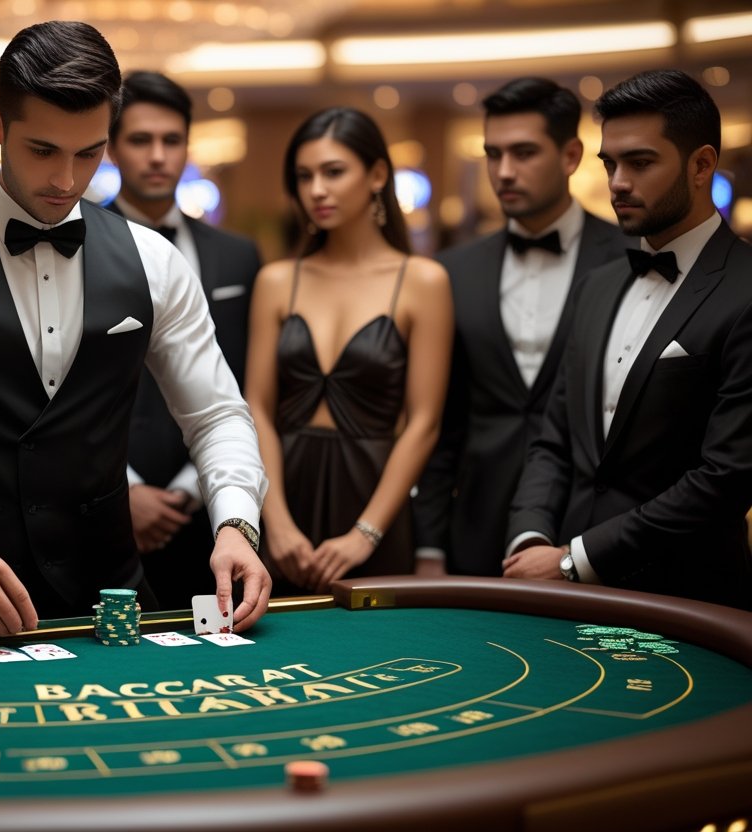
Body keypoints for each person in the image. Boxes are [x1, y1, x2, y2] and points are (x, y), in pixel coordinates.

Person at [0, 21, 271, 638]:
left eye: (88, 153)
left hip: (116, 602)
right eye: (43, 151)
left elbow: (218, 415)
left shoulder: (154, 260)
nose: (66, 179)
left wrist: (236, 525)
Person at [504, 70, 752, 610]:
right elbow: (555, 439)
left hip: (690, 598)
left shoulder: (745, 288)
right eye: (609, 163)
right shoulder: (598, 284)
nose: (616, 182)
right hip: (564, 597)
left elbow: (725, 477)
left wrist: (576, 559)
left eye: (639, 163)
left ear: (701, 165)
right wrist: (530, 538)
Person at [412, 78, 627, 577]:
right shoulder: (452, 270)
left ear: (571, 155)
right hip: (476, 521)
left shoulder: (628, 256)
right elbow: (440, 422)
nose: (504, 171)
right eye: (493, 154)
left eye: (524, 152)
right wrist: (429, 545)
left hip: (589, 523)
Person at [245, 107, 453, 595]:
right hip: (283, 494)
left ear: (377, 174)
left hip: (374, 503)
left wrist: (366, 534)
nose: (316, 189)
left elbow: (424, 423)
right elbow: (256, 407)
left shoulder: (422, 281)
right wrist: (274, 523)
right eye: (304, 176)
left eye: (333, 172)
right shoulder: (277, 280)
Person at [105, 70, 262, 610]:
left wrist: (200, 487)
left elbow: (240, 384)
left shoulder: (239, 256)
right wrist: (124, 489)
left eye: (171, 141)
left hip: (212, 513)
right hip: (101, 508)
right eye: (140, 140)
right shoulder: (73, 249)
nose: (157, 156)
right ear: (112, 147)